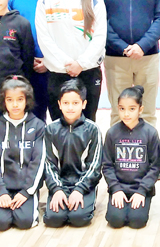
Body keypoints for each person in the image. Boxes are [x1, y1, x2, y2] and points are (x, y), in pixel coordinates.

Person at [36, 0, 106, 122]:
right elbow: (44, 37)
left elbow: (100, 36)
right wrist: (65, 64)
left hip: (88, 72)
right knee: (59, 124)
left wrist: (81, 63)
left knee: (88, 122)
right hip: (58, 72)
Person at [0, 76, 47, 231]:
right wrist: (0, 192)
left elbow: (39, 161)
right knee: (0, 223)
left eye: (19, 99)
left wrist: (26, 191)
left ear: (27, 100)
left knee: (24, 222)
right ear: (3, 101)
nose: (15, 104)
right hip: (2, 188)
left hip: (26, 188)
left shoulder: (38, 126)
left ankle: (29, 203)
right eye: (10, 100)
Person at [43, 79, 103, 228]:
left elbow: (94, 166)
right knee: (54, 219)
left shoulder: (93, 130)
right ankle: (59, 197)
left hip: (84, 184)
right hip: (60, 183)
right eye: (66, 103)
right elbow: (48, 164)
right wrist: (56, 189)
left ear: (83, 104)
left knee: (78, 218)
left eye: (75, 103)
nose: (70, 108)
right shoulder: (50, 130)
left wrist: (79, 190)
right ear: (59, 104)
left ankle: (88, 200)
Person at [102, 85, 160, 229]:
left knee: (137, 221)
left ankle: (142, 201)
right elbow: (107, 165)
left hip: (141, 188)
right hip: (119, 187)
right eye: (122, 109)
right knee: (115, 221)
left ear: (140, 109)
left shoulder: (150, 133)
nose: (126, 114)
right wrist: (115, 189)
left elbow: (155, 167)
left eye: (132, 109)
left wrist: (142, 191)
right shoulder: (112, 133)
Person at [10, 0, 54, 122]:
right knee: (34, 121)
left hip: (57, 68)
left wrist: (50, 60)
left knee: (64, 119)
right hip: (27, 70)